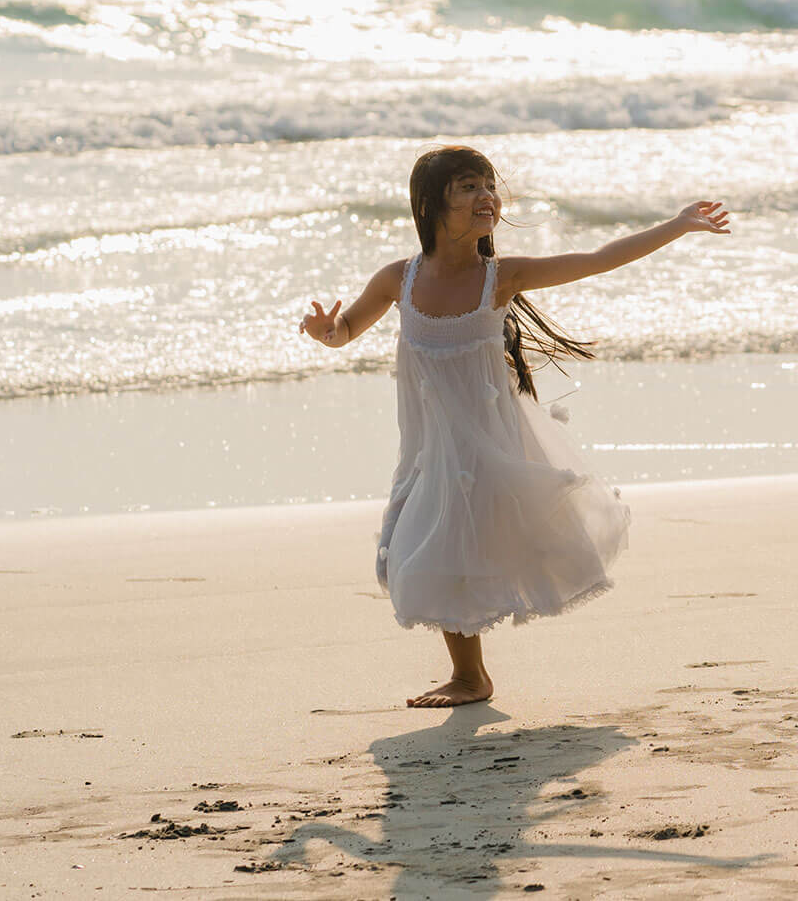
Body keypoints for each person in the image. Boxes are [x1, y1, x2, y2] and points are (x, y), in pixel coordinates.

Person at [299, 145, 730, 708]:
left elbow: (599, 257)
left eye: (488, 186)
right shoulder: (397, 280)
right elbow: (346, 332)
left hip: (490, 444)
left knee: (456, 545)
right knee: (426, 550)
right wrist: (325, 331)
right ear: (431, 205)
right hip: (431, 446)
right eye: (468, 188)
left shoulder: (500, 278)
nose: (486, 197)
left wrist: (678, 225)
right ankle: (470, 675)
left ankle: (470, 678)